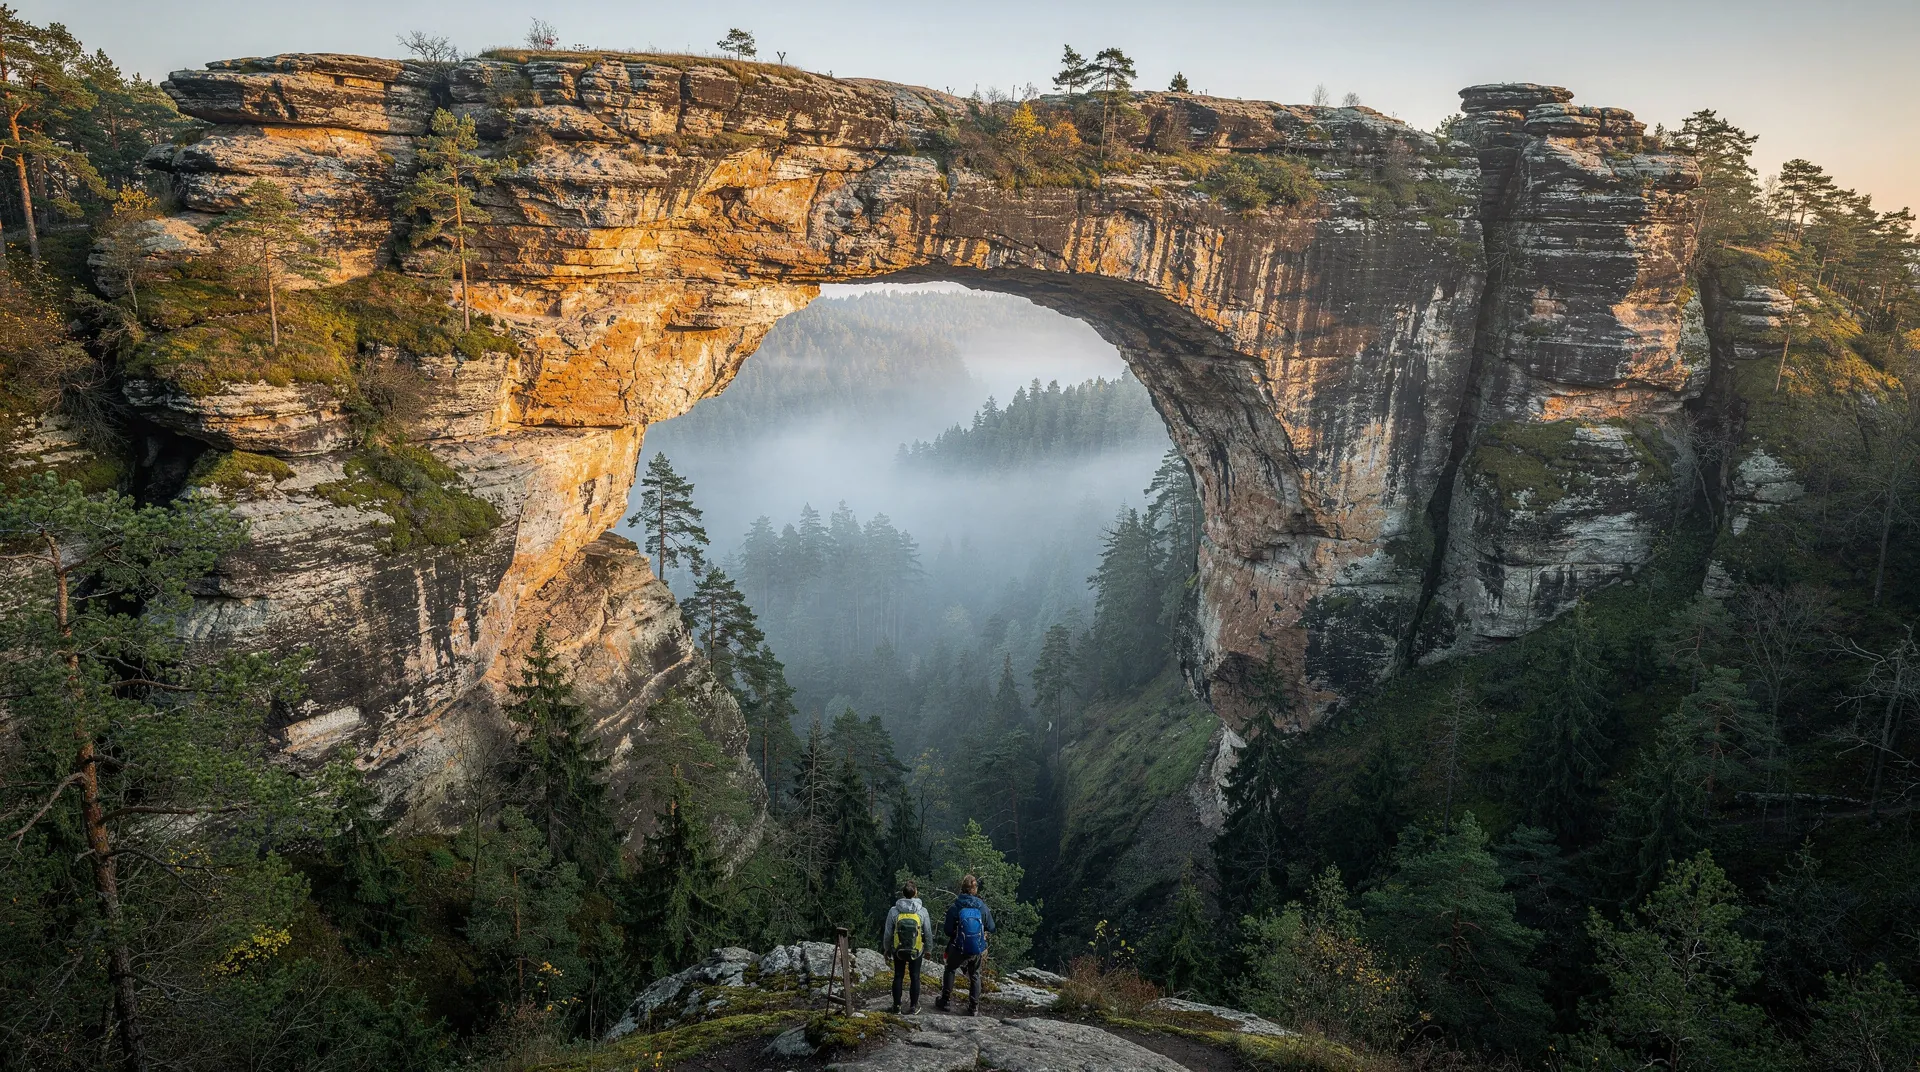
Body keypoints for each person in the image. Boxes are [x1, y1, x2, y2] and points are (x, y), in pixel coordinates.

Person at [936, 873, 996, 1015]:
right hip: (976, 949)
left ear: (962, 888)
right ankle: (973, 1007)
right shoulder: (982, 907)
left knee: (950, 969)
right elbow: (992, 927)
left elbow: (947, 930)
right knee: (974, 974)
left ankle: (945, 1001)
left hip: (958, 947)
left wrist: (958, 934)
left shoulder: (955, 907)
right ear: (975, 890)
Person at [880, 880, 928, 1014]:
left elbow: (888, 933)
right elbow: (928, 932)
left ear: (903, 893)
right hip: (916, 950)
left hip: (898, 949)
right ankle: (913, 1007)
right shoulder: (922, 911)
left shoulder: (894, 911)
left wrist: (887, 948)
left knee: (898, 976)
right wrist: (928, 948)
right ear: (916, 893)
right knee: (915, 976)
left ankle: (897, 1006)